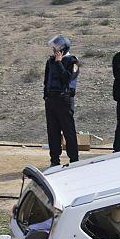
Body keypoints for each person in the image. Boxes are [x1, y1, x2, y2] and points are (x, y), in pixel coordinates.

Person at [43, 34, 80, 166]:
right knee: (52, 131)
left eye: (56, 49)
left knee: (68, 130)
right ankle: (54, 160)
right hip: (51, 101)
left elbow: (67, 79)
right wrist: (46, 97)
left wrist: (59, 63)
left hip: (64, 100)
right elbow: (46, 81)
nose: (53, 51)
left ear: (62, 49)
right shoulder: (50, 62)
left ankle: (74, 160)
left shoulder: (72, 62)